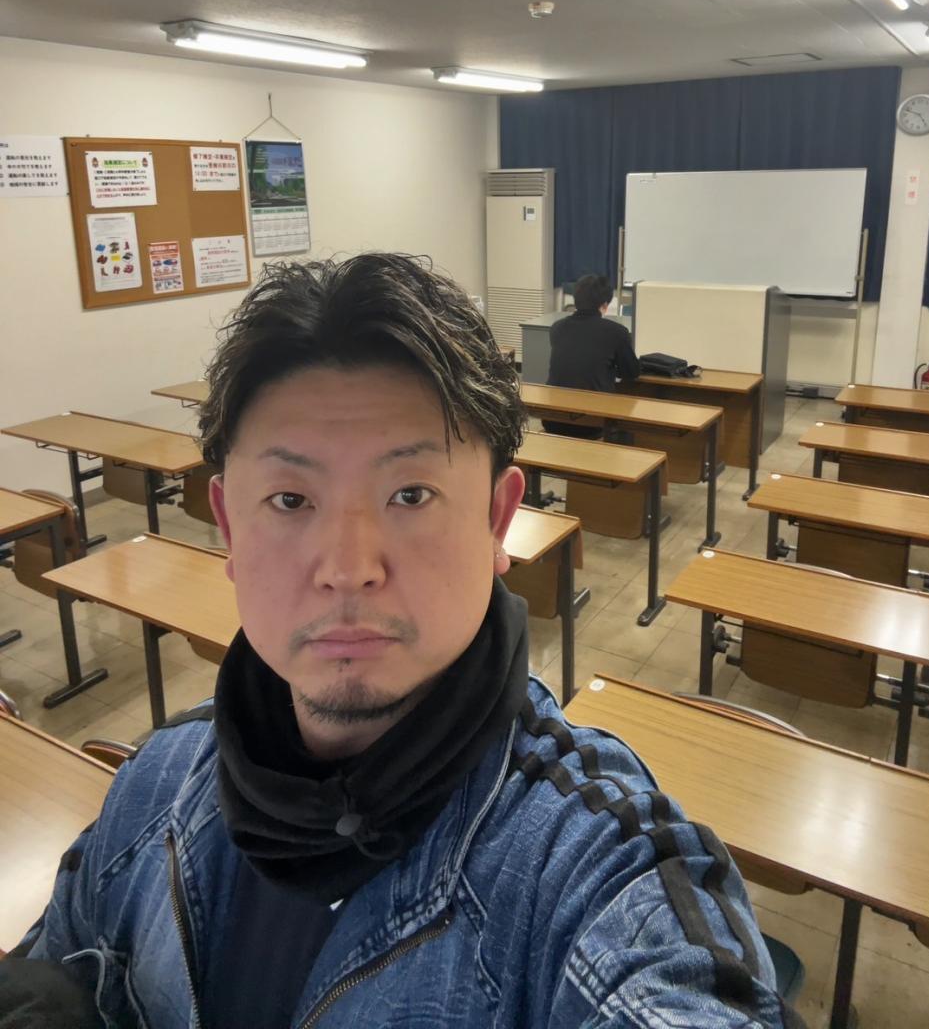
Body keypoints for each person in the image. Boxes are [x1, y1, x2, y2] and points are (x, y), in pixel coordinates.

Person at [1, 253, 801, 1028]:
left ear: (497, 519)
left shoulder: (595, 865)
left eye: (411, 494)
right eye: (290, 500)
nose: (349, 569)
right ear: (229, 529)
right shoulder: (152, 784)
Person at [544, 273, 641, 439]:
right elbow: (631, 373)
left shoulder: (557, 328)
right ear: (605, 305)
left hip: (553, 419)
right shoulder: (617, 332)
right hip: (592, 423)